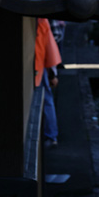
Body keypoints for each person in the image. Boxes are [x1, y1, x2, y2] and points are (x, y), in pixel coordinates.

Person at [35, 18, 63, 147]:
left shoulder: (41, 20)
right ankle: (51, 135)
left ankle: (51, 135)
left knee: (46, 99)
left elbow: (50, 43)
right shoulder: (42, 19)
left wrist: (52, 73)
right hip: (41, 63)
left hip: (39, 64)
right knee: (46, 99)